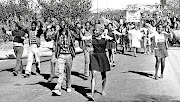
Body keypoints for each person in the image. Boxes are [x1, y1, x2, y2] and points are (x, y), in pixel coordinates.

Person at [82, 24, 113, 101]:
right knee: (94, 74)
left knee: (104, 75)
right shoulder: (92, 38)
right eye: (94, 30)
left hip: (103, 57)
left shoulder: (104, 38)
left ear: (100, 30)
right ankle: (91, 94)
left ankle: (102, 90)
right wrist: (80, 30)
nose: (94, 31)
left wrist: (107, 35)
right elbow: (83, 38)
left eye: (96, 30)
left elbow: (112, 38)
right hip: (94, 56)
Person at [52, 20, 76, 96]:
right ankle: (58, 88)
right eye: (61, 24)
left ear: (66, 25)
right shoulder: (57, 33)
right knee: (60, 72)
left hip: (69, 55)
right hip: (61, 55)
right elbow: (50, 37)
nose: (62, 26)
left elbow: (76, 37)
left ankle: (68, 85)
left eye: (63, 24)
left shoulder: (70, 33)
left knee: (68, 71)